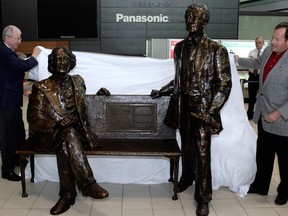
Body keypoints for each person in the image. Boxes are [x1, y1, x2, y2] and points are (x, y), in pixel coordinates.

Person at [150, 4, 232, 216]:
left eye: (195, 17)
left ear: (205, 21)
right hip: (183, 108)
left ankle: (203, 197)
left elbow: (224, 85)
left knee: (203, 153)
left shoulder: (216, 50)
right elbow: (180, 80)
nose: (190, 21)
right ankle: (187, 177)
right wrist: (163, 90)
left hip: (203, 110)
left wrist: (211, 111)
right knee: (186, 146)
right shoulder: (180, 48)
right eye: (188, 17)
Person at [27, 46, 109, 215]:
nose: (62, 62)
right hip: (49, 135)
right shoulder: (41, 88)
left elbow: (82, 108)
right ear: (51, 63)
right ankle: (87, 184)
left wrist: (99, 97)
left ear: (71, 63)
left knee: (68, 138)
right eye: (57, 59)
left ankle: (68, 195)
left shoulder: (78, 82)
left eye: (65, 59)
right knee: (68, 135)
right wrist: (56, 124)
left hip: (77, 135)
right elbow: (34, 118)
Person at [234, 22, 288, 206]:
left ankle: (284, 192)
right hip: (264, 115)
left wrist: (279, 113)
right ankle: (260, 185)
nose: (272, 42)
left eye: (277, 39)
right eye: (272, 37)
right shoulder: (267, 52)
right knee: (264, 155)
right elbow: (257, 63)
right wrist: (238, 60)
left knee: (285, 160)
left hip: (282, 120)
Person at [0, 25, 40, 181]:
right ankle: (7, 170)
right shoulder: (4, 52)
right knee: (8, 137)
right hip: (6, 103)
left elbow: (11, 75)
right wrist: (35, 55)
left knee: (18, 134)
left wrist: (23, 88)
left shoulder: (8, 52)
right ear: (8, 38)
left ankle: (17, 160)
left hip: (13, 101)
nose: (19, 41)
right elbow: (22, 66)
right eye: (18, 38)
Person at [246, 36, 265, 120]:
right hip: (252, 76)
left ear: (263, 43)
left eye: (259, 42)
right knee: (251, 97)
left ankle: (261, 115)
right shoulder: (251, 52)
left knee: (262, 97)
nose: (257, 44)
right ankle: (250, 114)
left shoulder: (266, 53)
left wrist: (256, 61)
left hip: (261, 77)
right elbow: (248, 63)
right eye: (256, 42)